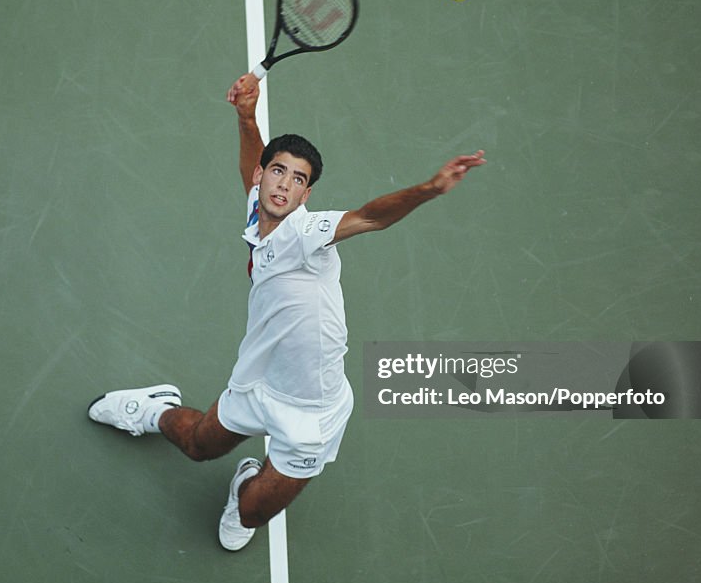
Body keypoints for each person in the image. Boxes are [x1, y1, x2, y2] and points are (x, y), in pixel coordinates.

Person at [88, 72, 486, 551]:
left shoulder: (307, 232)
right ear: (263, 177)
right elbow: (249, 169)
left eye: (299, 180)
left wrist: (429, 189)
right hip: (258, 379)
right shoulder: (258, 209)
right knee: (198, 445)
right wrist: (246, 117)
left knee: (252, 513)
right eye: (278, 171)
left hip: (311, 413)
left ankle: (245, 484)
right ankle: (152, 409)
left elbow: (370, 216)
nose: (284, 184)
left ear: (306, 196)